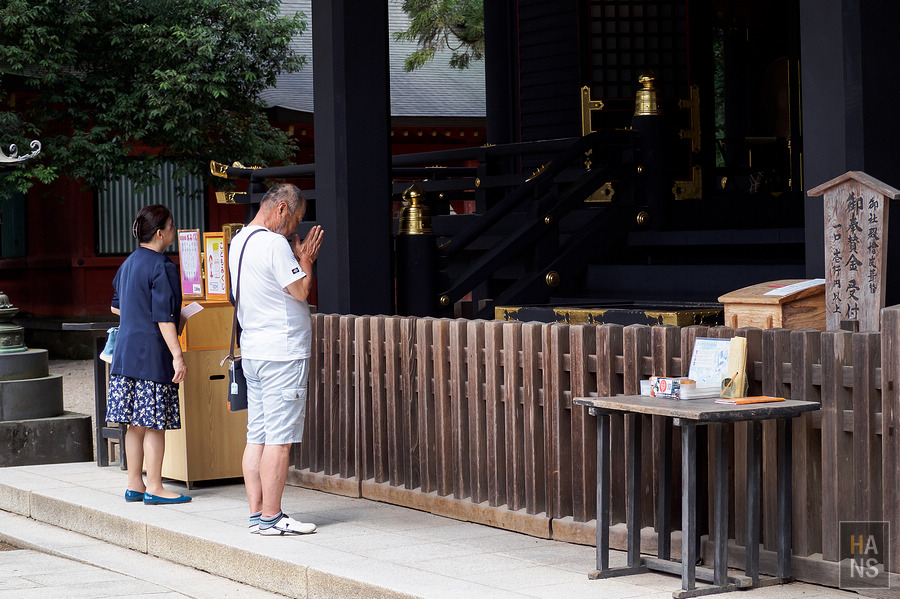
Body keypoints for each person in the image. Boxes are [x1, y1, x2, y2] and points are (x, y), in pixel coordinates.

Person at [228, 183, 324, 535]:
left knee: (258, 435)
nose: (296, 229)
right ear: (281, 208)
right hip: (282, 352)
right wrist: (305, 260)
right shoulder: (273, 244)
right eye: (295, 219)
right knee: (279, 439)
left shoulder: (238, 241)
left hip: (253, 350)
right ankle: (272, 516)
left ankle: (257, 515)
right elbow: (300, 290)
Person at [106, 204, 190, 505]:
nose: (174, 231)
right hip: (152, 354)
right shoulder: (162, 266)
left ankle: (134, 484)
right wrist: (178, 356)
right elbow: (165, 317)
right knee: (154, 422)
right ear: (160, 233)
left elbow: (116, 306)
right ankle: (155, 487)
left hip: (125, 353)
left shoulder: (128, 263)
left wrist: (136, 312)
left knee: (134, 423)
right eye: (171, 226)